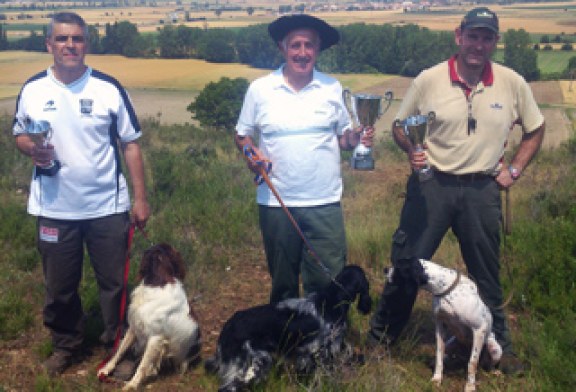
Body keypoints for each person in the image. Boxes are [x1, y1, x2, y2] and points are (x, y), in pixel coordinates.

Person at [367, 7, 545, 375]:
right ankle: (378, 343)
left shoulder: (512, 82)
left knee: (486, 275)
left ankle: (501, 352)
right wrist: (410, 148)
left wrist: (514, 169)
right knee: (407, 266)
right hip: (431, 186)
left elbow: (535, 129)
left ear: (495, 41)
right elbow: (401, 127)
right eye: (473, 35)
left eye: (487, 37)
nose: (479, 44)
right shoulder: (428, 80)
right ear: (458, 35)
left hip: (481, 190)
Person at [12, 12, 150, 376]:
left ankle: (119, 349)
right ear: (49, 45)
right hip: (54, 207)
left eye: (76, 39)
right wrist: (31, 148)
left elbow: (131, 145)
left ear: (86, 44)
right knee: (59, 287)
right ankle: (65, 346)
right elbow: (20, 134)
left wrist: (140, 199)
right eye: (61, 39)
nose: (69, 45)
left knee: (115, 284)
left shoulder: (107, 88)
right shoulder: (33, 90)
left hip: (107, 206)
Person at [234, 14, 373, 304]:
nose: (302, 52)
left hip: (324, 202)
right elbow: (242, 136)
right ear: (283, 48)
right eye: (295, 45)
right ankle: (284, 342)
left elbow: (344, 139)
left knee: (327, 281)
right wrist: (252, 155)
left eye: (309, 45)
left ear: (318, 49)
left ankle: (325, 345)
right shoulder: (260, 89)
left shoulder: (332, 88)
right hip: (276, 203)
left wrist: (357, 138)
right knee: (283, 282)